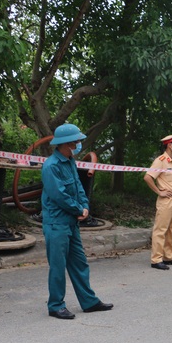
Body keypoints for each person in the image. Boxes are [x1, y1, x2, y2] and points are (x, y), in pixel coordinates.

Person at [41, 123, 113, 320]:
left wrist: (85, 205)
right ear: (67, 143)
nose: (79, 144)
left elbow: (79, 187)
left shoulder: (70, 161)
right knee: (58, 265)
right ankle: (56, 305)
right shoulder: (51, 166)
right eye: (77, 141)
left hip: (71, 222)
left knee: (79, 263)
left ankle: (89, 302)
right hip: (57, 223)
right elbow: (59, 195)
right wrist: (77, 208)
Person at [143, 131, 172, 270]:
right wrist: (159, 192)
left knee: (170, 230)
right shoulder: (160, 161)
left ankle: (169, 256)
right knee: (160, 229)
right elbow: (148, 177)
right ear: (169, 145)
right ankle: (156, 259)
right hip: (166, 200)